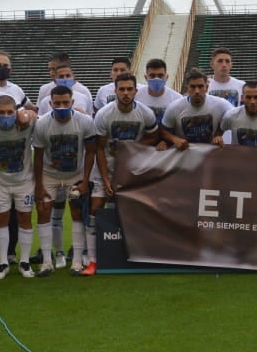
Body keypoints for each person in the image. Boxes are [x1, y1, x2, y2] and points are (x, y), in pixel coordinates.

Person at [91, 73, 160, 272]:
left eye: (130, 89)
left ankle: (131, 251)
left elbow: (153, 137)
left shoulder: (145, 113)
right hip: (106, 167)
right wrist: (105, 180)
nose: (126, 93)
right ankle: (91, 256)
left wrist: (132, 147)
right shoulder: (104, 114)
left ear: (136, 91)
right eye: (122, 89)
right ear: (115, 91)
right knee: (96, 207)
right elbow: (99, 149)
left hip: (131, 169)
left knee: (129, 209)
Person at [32, 86, 98, 276]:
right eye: (57, 103)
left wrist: (85, 181)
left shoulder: (85, 121)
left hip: (74, 174)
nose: (61, 106)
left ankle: (77, 262)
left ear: (72, 103)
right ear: (50, 103)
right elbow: (37, 156)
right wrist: (39, 185)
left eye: (65, 103)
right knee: (44, 212)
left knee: (77, 213)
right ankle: (46, 261)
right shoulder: (42, 124)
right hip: (49, 174)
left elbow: (91, 151)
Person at [0, 95, 38, 279]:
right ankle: (3, 262)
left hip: (24, 181)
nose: (6, 116)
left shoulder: (26, 126)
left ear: (15, 111)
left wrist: (27, 114)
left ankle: (25, 261)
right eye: (1, 112)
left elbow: (38, 115)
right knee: (1, 220)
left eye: (9, 112)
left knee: (25, 219)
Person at [160, 69, 233, 149]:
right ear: (187, 88)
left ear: (207, 87)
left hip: (210, 154)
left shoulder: (221, 104)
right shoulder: (174, 107)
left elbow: (235, 115)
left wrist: (218, 133)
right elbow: (164, 131)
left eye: (200, 86)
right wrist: (174, 139)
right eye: (193, 87)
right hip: (185, 154)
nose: (197, 91)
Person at [134, 58, 182, 125]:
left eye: (160, 75)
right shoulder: (135, 96)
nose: (156, 79)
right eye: (152, 76)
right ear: (146, 77)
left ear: (166, 77)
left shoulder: (177, 99)